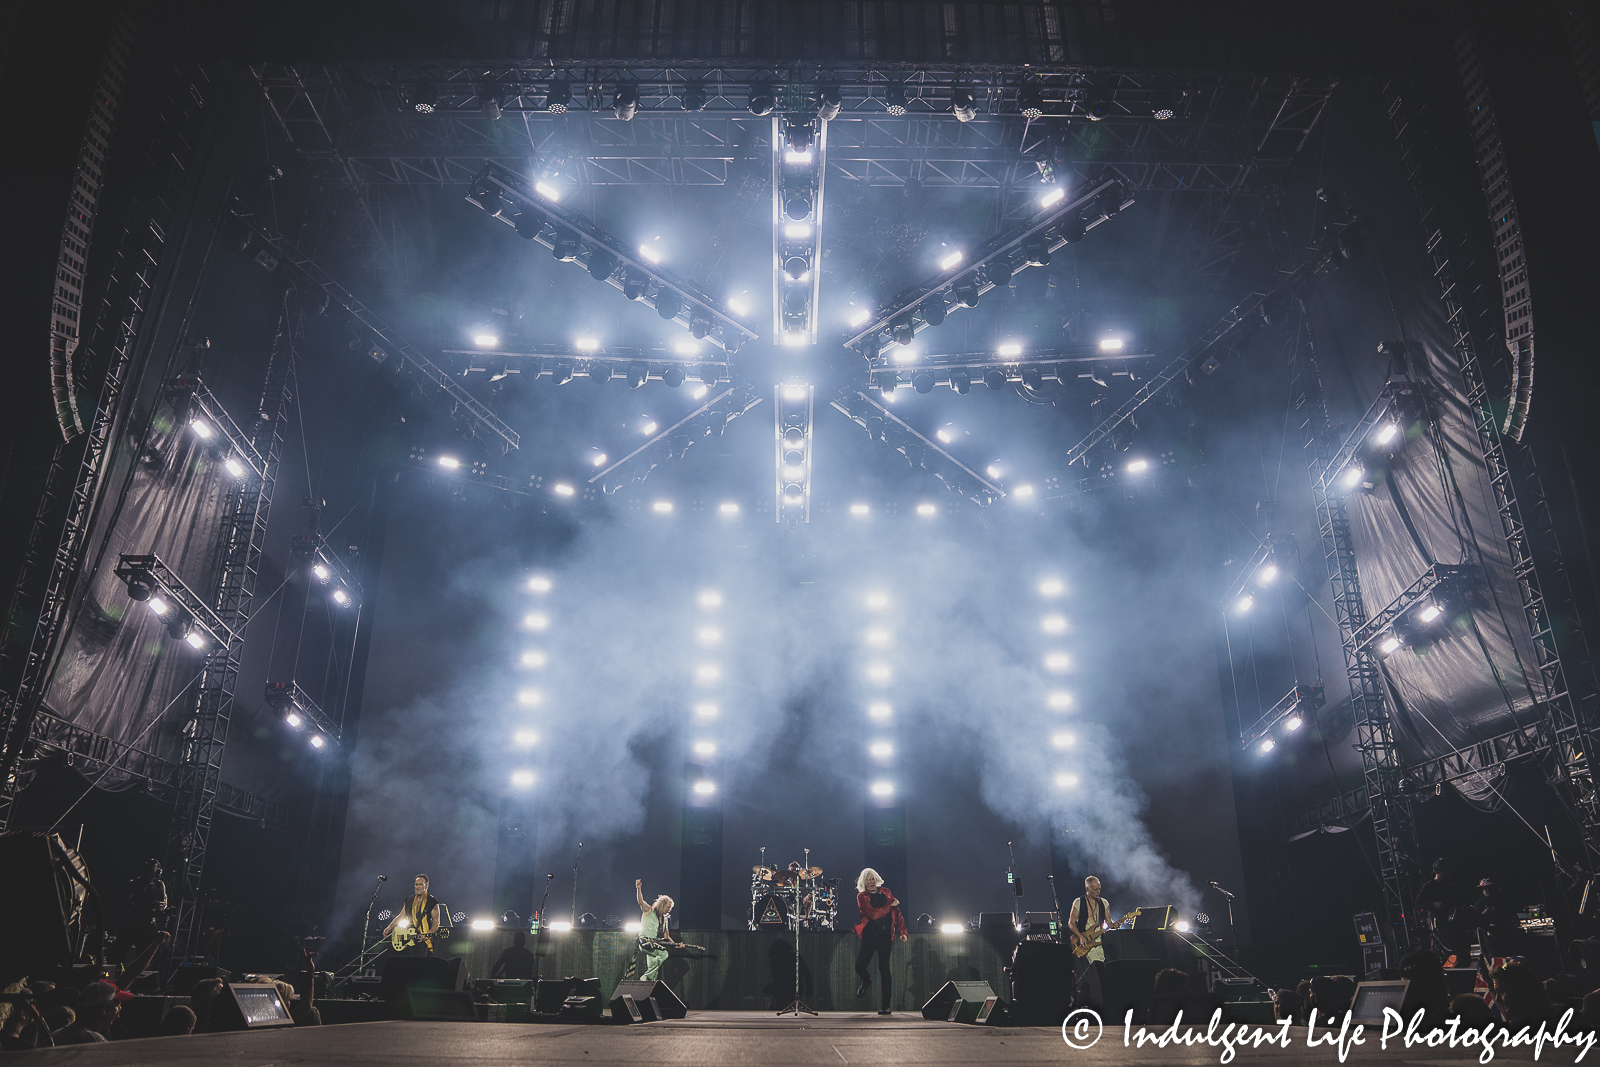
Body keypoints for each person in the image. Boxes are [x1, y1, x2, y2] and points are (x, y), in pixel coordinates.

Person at [852, 867, 907, 1016]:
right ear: (864, 882)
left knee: (885, 969)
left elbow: (896, 912)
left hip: (885, 937)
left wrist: (902, 931)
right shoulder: (862, 897)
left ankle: (886, 1005)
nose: (871, 882)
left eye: (872, 879)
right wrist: (890, 905)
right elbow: (873, 915)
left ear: (877, 880)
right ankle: (867, 980)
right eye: (868, 879)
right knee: (859, 966)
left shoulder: (886, 892)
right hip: (870, 935)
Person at [1415, 860, 1466, 963]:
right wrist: (1434, 904)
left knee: (1464, 950)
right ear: (1437, 872)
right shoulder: (1429, 886)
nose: (1448, 873)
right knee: (1452, 951)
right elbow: (1418, 904)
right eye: (1445, 870)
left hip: (1457, 923)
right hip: (1442, 925)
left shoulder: (1452, 887)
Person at [382, 874, 444, 955]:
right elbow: (402, 915)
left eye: (421, 884)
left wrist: (429, 933)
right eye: (416, 884)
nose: (417, 887)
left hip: (423, 939)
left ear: (427, 886)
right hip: (408, 938)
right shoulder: (409, 899)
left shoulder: (432, 901)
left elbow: (436, 921)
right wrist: (390, 927)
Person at [52, 981, 129, 1044]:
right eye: (117, 1004)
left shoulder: (56, 1035)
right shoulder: (94, 1040)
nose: (120, 1008)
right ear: (105, 1009)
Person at [635, 878, 679, 981]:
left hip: (653, 943)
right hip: (645, 942)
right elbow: (640, 902)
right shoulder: (649, 911)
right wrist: (638, 888)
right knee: (664, 954)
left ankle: (647, 984)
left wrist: (676, 945)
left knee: (653, 973)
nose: (669, 910)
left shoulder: (664, 920)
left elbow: (666, 936)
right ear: (662, 905)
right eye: (668, 907)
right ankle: (645, 976)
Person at [1068, 876, 1113, 973]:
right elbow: (1071, 923)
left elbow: (1109, 922)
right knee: (1094, 970)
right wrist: (1080, 937)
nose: (1098, 892)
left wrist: (1114, 924)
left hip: (1099, 941)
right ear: (1087, 889)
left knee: (1101, 967)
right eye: (1095, 889)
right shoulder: (1078, 902)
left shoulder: (1104, 903)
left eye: (1099, 889)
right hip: (1085, 942)